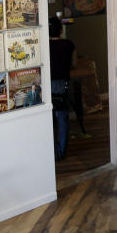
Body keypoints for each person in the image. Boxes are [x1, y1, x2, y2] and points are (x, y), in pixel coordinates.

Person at [49, 17, 75, 160]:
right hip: (62, 84)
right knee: (62, 118)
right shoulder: (68, 44)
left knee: (49, 119)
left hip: (47, 84)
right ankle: (61, 152)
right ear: (60, 29)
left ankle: (52, 150)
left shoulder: (44, 45)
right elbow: (74, 64)